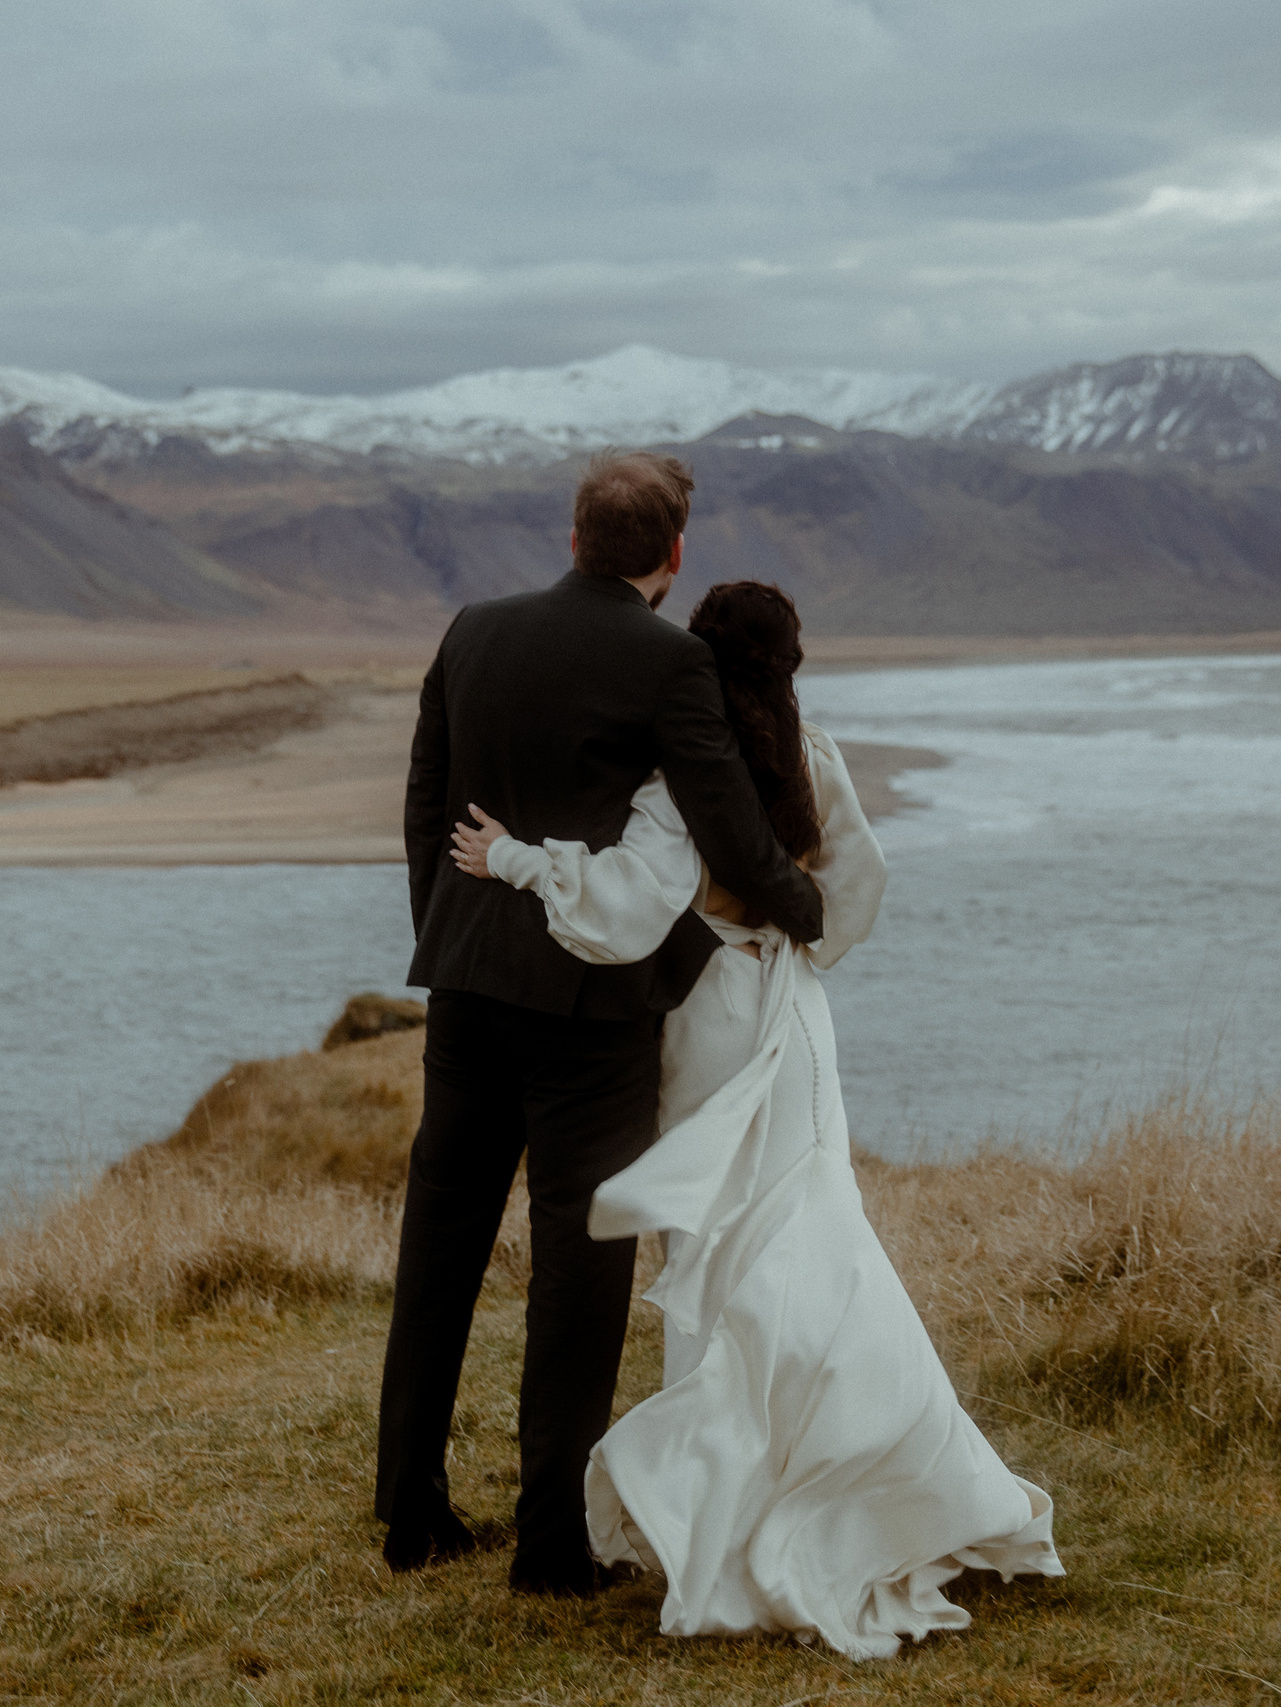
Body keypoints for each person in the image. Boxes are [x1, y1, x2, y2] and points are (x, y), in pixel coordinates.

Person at [447, 579, 1065, 1658]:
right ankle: (882, 1473)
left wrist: (510, 857)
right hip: (796, 1016)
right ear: (789, 664)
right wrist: (800, 949)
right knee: (819, 1235)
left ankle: (733, 1509)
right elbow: (852, 895)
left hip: (712, 1016)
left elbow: (630, 908)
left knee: (723, 1244)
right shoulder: (811, 756)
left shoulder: (680, 771)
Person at [378, 452, 827, 1596]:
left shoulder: (472, 628)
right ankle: (549, 1545)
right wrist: (801, 904)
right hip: (590, 1011)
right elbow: (724, 824)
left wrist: (449, 934)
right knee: (581, 1267)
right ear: (672, 557)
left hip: (467, 987)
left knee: (440, 1248)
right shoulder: (670, 661)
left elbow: (426, 803)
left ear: (574, 533)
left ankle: (410, 1511)